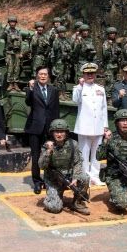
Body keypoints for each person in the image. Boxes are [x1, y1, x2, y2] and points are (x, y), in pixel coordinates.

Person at [39, 119, 90, 215]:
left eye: (62, 131)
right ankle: (53, 197)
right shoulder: (47, 146)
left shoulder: (73, 144)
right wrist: (48, 151)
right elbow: (42, 166)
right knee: (55, 208)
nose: (59, 134)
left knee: (85, 178)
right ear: (52, 133)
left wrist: (75, 178)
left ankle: (77, 203)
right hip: (53, 180)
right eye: (56, 132)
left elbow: (78, 162)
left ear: (66, 133)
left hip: (69, 177)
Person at [24, 66, 60, 194]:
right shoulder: (32, 89)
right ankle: (37, 182)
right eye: (40, 74)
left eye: (45, 74)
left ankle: (48, 180)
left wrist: (56, 127)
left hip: (49, 128)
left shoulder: (54, 90)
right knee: (36, 155)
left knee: (50, 154)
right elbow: (28, 102)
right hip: (35, 127)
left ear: (48, 76)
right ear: (37, 76)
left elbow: (56, 109)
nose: (43, 76)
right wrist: (31, 88)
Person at [72, 63, 108, 186]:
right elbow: (75, 100)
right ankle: (84, 176)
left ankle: (95, 176)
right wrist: (81, 86)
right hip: (84, 127)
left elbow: (104, 108)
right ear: (83, 74)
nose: (90, 75)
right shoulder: (78, 88)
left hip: (98, 127)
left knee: (96, 154)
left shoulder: (100, 89)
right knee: (84, 154)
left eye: (92, 73)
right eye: (87, 73)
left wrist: (105, 125)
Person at [0, 16, 23, 91]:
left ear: (15, 23)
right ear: (9, 23)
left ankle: (15, 84)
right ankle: (10, 84)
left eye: (14, 22)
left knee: (17, 69)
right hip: (9, 52)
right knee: (10, 69)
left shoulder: (18, 32)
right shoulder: (7, 31)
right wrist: (3, 29)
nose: (12, 23)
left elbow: (21, 43)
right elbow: (1, 36)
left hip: (16, 53)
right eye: (11, 22)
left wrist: (21, 53)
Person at [50, 26, 72, 100]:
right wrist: (56, 39)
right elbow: (55, 48)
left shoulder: (66, 40)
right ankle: (59, 93)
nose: (62, 34)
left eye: (63, 32)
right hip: (59, 62)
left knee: (64, 78)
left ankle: (63, 92)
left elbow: (70, 49)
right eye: (60, 32)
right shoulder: (56, 41)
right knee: (59, 78)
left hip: (66, 62)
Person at [101, 26, 122, 100]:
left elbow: (119, 54)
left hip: (115, 66)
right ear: (108, 34)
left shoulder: (115, 43)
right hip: (108, 66)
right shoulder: (106, 43)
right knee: (109, 82)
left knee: (114, 82)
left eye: (114, 33)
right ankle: (107, 98)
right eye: (111, 33)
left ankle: (113, 97)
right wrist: (109, 47)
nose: (113, 35)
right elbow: (105, 55)